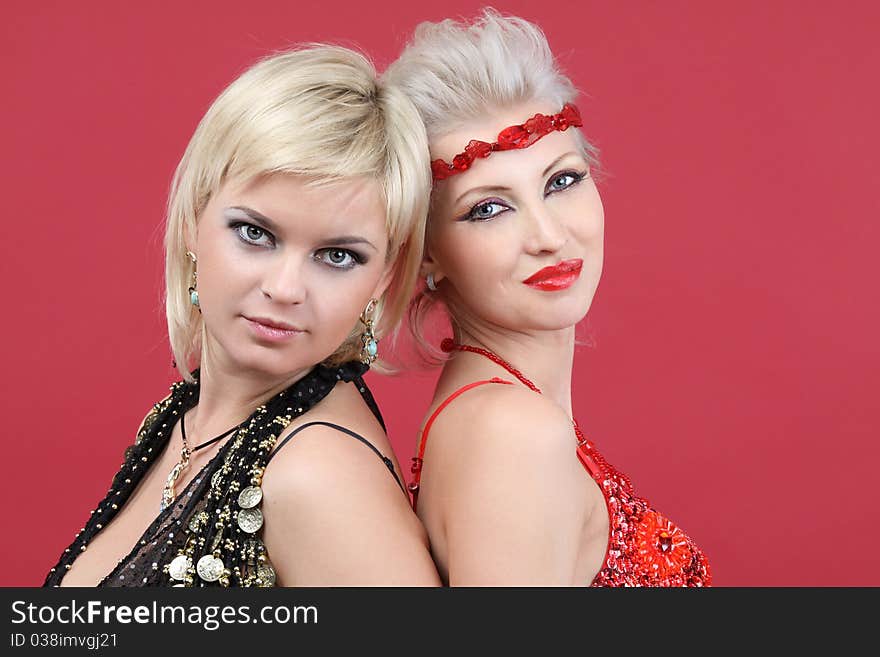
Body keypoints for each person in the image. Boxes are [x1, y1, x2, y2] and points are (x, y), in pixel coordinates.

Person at [44, 45, 440, 587]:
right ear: (193, 221)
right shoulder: (185, 421)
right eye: (256, 233)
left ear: (385, 277)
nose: (283, 289)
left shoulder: (319, 477)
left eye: (338, 255)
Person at [384, 9, 712, 586]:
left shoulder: (493, 414)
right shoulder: (513, 435)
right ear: (427, 250)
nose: (548, 235)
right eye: (488, 208)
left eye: (561, 180)